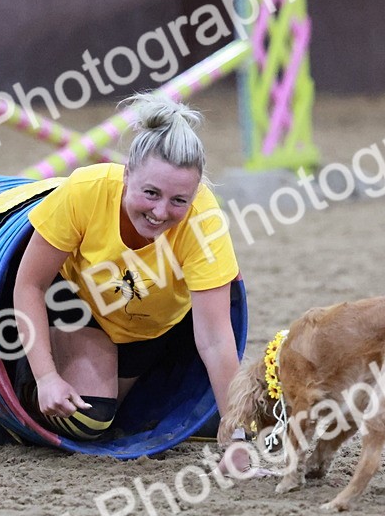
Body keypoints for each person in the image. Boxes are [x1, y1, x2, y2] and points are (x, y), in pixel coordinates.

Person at [12, 93, 240, 442]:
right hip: (78, 307)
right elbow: (29, 284)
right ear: (127, 173)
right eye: (151, 193)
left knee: (120, 419)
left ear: (196, 194)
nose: (160, 212)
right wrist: (46, 378)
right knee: (88, 418)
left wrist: (237, 437)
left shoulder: (204, 223)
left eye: (179, 200)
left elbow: (215, 338)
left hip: (151, 331)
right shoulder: (85, 191)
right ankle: (22, 376)